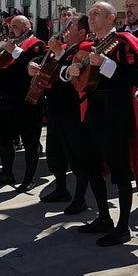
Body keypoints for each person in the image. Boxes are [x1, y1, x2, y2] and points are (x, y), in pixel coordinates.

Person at [62, 1, 138, 246]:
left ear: (111, 18)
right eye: (91, 13)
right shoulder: (91, 46)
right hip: (93, 109)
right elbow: (80, 77)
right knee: (90, 164)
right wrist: (72, 71)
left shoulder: (125, 42)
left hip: (116, 111)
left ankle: (123, 226)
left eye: (97, 13)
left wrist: (105, 65)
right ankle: (104, 217)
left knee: (119, 169)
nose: (92, 17)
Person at [29, 12, 91, 213]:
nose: (65, 29)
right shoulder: (64, 48)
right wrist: (32, 64)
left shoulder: (85, 49)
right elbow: (44, 60)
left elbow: (75, 73)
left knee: (78, 154)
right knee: (55, 151)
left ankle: (80, 198)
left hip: (73, 110)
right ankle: (61, 189)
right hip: (55, 108)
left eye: (69, 27)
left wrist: (58, 54)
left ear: (82, 32)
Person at [0, 15, 46, 192]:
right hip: (3, 103)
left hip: (26, 103)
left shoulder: (37, 44)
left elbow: (35, 64)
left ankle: (30, 177)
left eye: (16, 26)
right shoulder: (8, 44)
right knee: (4, 139)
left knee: (30, 141)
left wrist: (15, 51)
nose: (11, 29)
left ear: (27, 27)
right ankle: (7, 172)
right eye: (10, 26)